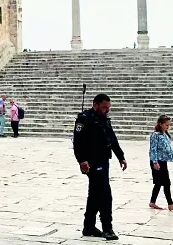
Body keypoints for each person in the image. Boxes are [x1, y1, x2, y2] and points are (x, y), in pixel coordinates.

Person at [73, 93, 127, 241]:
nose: (107, 110)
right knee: (105, 194)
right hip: (92, 162)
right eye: (104, 107)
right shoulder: (84, 119)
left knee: (95, 194)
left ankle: (89, 226)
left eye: (108, 107)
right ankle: (107, 228)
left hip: (104, 160)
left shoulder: (105, 120)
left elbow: (112, 138)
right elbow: (77, 142)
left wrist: (120, 156)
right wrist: (82, 160)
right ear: (95, 104)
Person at [149, 115, 173, 211]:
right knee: (166, 183)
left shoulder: (165, 135)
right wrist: (155, 162)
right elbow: (153, 150)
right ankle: (170, 204)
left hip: (163, 162)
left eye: (169, 125)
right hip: (157, 162)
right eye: (166, 125)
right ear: (160, 124)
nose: (168, 127)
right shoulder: (155, 135)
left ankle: (152, 202)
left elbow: (170, 150)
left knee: (159, 183)